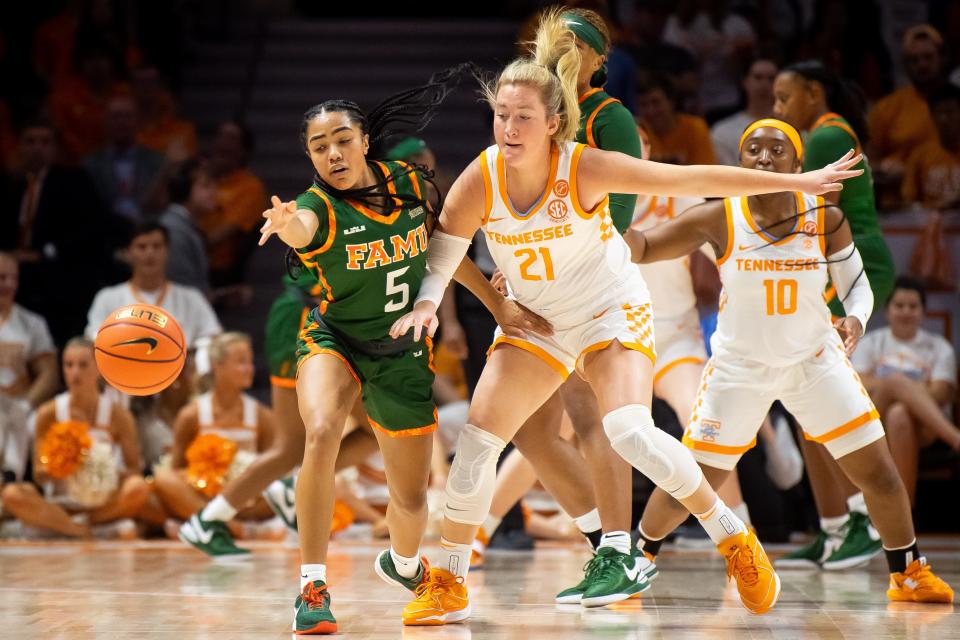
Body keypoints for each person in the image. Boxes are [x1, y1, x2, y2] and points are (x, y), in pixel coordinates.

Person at [389, 8, 863, 625]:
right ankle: (449, 581)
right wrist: (441, 304)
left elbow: (689, 175)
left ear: (554, 122)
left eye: (523, 117)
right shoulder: (481, 176)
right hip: (537, 321)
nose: (508, 126)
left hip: (609, 309)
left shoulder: (583, 164)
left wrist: (802, 182)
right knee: (478, 443)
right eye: (501, 114)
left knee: (628, 432)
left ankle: (734, 540)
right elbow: (443, 254)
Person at [256, 67, 551, 635]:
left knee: (411, 498)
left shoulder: (409, 185)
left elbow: (446, 253)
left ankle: (404, 563)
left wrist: (497, 305)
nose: (333, 154)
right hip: (335, 339)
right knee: (321, 431)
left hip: (402, 352)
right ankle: (312, 586)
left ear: (365, 141)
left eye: (342, 140)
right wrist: (287, 226)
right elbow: (303, 229)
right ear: (310, 159)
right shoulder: (315, 209)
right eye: (319, 147)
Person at [626, 118, 954, 605]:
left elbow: (857, 288)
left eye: (776, 150)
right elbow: (648, 247)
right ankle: (635, 561)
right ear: (739, 164)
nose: (763, 157)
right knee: (693, 479)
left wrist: (857, 320)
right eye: (752, 149)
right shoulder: (720, 215)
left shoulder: (825, 218)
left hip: (814, 361)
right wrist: (604, 230)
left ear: (797, 165)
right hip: (740, 369)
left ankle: (906, 571)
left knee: (878, 472)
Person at [773, 60, 896, 570]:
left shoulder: (824, 138)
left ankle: (860, 521)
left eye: (784, 98)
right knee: (806, 403)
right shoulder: (825, 135)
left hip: (851, 261)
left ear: (813, 93)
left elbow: (795, 210)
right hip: (836, 258)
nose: (778, 110)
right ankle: (832, 529)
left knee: (820, 393)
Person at [176, 270, 382, 558]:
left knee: (314, 442)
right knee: (302, 444)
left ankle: (215, 517)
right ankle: (209, 520)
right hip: (307, 316)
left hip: (329, 315)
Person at [1, 337, 149, 539]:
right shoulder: (48, 413)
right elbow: (38, 473)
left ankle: (65, 528)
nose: (74, 372)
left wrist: (101, 468)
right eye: (68, 365)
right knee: (13, 494)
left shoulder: (119, 415)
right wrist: (61, 463)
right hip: (61, 503)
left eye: (83, 365)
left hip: (102, 503)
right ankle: (80, 529)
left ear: (99, 368)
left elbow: (134, 471)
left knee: (138, 488)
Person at [153, 333, 278, 539]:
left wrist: (238, 477)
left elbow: (273, 467)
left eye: (250, 362)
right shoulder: (191, 414)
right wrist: (205, 475)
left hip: (247, 502)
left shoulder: (262, 415)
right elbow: (176, 469)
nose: (250, 368)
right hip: (204, 497)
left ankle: (207, 524)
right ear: (217, 366)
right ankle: (234, 527)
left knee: (288, 485)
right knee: (162, 479)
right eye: (241, 362)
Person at [852, 277, 960, 504]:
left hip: (926, 428)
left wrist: (900, 393)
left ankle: (903, 518)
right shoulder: (870, 342)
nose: (906, 312)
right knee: (895, 384)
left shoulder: (939, 347)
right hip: (874, 421)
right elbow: (857, 383)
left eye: (913, 306)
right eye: (899, 306)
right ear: (888, 310)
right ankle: (955, 438)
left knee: (899, 414)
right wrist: (902, 387)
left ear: (923, 311)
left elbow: (940, 393)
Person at [0, 252, 59, 481]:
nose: (9, 284)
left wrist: (27, 403)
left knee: (21, 418)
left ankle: (11, 481)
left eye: (14, 278)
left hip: (18, 404)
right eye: (2, 277)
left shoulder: (31, 323)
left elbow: (49, 373)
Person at [868, 25, 945, 196]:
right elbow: (867, 162)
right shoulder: (887, 109)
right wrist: (882, 169)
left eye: (928, 57)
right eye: (914, 60)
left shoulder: (956, 105)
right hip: (898, 203)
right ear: (905, 65)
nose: (922, 64)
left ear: (942, 58)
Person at [157, 160, 217, 292]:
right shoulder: (174, 229)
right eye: (206, 186)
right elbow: (182, 287)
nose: (214, 191)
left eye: (214, 185)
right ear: (184, 188)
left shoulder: (183, 226)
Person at [902, 83, 960, 209]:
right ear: (932, 116)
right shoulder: (920, 155)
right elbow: (908, 200)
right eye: (939, 112)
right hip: (932, 224)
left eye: (950, 112)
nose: (944, 118)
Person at [637, 73, 716, 165]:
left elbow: (705, 170)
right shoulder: (637, 132)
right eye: (643, 104)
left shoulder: (694, 127)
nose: (650, 111)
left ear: (671, 102)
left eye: (656, 102)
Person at [711, 59, 778, 166]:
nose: (764, 84)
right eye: (758, 77)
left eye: (771, 79)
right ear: (745, 81)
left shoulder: (794, 127)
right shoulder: (722, 131)